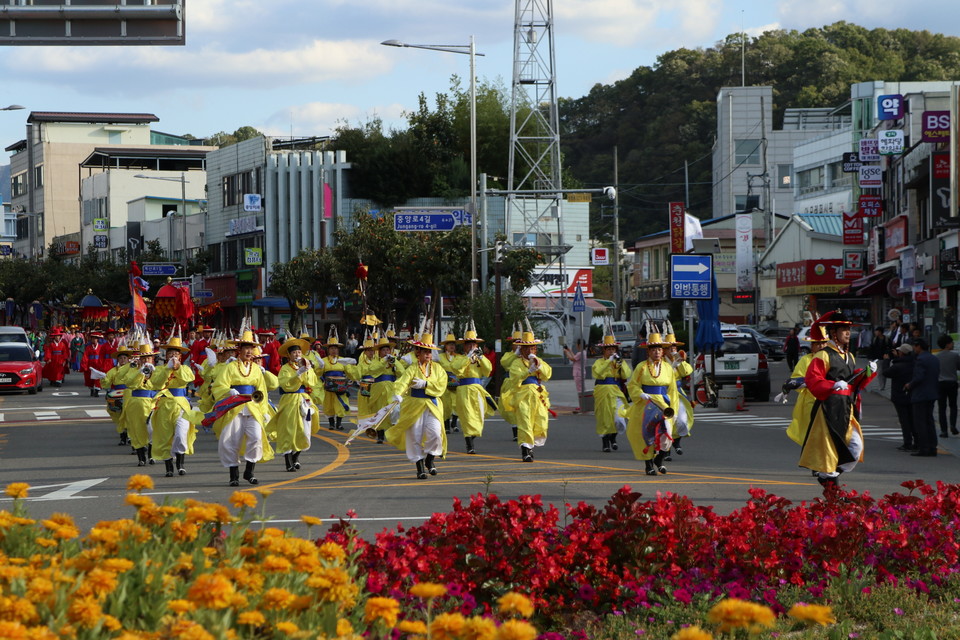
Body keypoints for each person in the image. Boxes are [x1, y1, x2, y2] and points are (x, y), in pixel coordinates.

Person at [800, 310, 877, 491]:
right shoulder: (823, 355)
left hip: (846, 406)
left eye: (849, 330)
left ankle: (827, 477)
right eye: (844, 329)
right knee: (830, 450)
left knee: (856, 447)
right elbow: (813, 381)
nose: (848, 333)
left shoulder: (849, 356)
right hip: (828, 408)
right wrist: (831, 385)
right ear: (834, 333)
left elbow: (853, 383)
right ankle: (831, 487)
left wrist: (868, 372)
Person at [210, 326, 274, 486]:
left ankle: (249, 471)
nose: (249, 352)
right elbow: (218, 385)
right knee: (230, 440)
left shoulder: (256, 369)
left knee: (256, 437)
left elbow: (262, 389)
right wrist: (228, 390)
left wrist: (264, 409)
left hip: (252, 406)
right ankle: (233, 475)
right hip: (235, 406)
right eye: (246, 348)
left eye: (251, 349)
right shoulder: (230, 367)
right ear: (239, 350)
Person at [385, 325, 447, 479]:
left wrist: (426, 384)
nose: (428, 354)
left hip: (432, 404)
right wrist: (397, 394)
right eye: (425, 351)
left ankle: (430, 459)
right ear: (417, 353)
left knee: (435, 434)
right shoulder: (412, 368)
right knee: (415, 435)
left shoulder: (438, 368)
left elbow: (442, 385)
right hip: (414, 405)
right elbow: (403, 382)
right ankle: (419, 467)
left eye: (429, 351)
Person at [626, 324, 677, 476]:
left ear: (663, 351)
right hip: (646, 404)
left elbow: (672, 389)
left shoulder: (668, 368)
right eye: (653, 349)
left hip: (662, 403)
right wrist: (640, 394)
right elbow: (633, 385)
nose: (657, 352)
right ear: (648, 351)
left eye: (659, 349)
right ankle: (648, 464)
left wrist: (673, 408)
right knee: (646, 433)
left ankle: (659, 459)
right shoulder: (641, 367)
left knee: (667, 433)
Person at [149, 331, 201, 477]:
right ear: (166, 356)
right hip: (164, 405)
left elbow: (187, 379)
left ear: (180, 356)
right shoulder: (159, 369)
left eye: (175, 354)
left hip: (181, 406)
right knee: (165, 437)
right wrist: (167, 369)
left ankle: (180, 463)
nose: (173, 357)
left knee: (180, 434)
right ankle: (168, 466)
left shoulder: (185, 369)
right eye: (170, 354)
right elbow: (156, 383)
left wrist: (177, 368)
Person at [274, 335, 320, 472]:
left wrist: (306, 370)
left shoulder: (305, 365)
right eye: (294, 352)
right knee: (289, 430)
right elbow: (286, 384)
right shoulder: (285, 369)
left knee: (304, 430)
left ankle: (296, 457)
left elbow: (312, 382)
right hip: (289, 400)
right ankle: (288, 462)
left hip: (303, 399)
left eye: (299, 352)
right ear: (289, 355)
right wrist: (297, 374)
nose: (297, 354)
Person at [782, 323, 829, 447]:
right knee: (813, 436)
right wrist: (807, 383)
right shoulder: (806, 360)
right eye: (818, 344)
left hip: (830, 402)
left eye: (824, 343)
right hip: (811, 401)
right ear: (812, 346)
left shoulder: (832, 358)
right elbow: (796, 379)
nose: (821, 346)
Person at [454, 322, 494, 455]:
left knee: (479, 416)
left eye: (474, 344)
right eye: (469, 344)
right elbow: (457, 369)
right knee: (467, 416)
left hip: (477, 389)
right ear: (464, 346)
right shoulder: (459, 358)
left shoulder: (479, 358)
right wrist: (468, 357)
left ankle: (472, 436)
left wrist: (481, 357)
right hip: (464, 389)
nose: (472, 347)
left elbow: (488, 371)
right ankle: (469, 443)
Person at [591, 331, 631, 453]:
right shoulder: (599, 362)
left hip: (616, 391)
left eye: (613, 349)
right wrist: (608, 361)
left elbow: (626, 374)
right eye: (608, 350)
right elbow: (598, 373)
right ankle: (605, 441)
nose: (611, 352)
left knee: (619, 418)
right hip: (602, 391)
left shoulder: (618, 362)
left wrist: (620, 363)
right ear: (604, 351)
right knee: (605, 418)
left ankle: (613, 437)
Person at [315, 327, 357, 431]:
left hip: (341, 387)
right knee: (329, 406)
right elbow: (318, 373)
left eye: (335, 348)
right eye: (331, 348)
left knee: (341, 406)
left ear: (338, 349)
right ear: (328, 350)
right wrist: (320, 367)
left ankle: (339, 423)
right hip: (328, 387)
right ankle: (331, 423)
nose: (334, 350)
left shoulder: (343, 360)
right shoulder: (323, 361)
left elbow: (350, 373)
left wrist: (352, 365)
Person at [904, 338, 940, 457]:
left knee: (920, 422)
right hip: (932, 392)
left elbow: (919, 377)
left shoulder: (920, 359)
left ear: (919, 346)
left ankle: (924, 448)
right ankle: (932, 447)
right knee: (929, 421)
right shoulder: (934, 358)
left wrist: (910, 384)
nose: (914, 349)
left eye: (915, 346)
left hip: (921, 394)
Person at [663, 322, 693, 458]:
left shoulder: (678, 359)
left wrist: (679, 361)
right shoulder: (660, 361)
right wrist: (670, 367)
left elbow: (687, 371)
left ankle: (676, 442)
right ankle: (667, 449)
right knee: (667, 421)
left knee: (681, 420)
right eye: (669, 347)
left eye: (674, 347)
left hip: (678, 393)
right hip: (664, 393)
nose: (672, 350)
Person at [883, 343, 917, 451]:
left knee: (904, 421)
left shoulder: (897, 366)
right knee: (913, 419)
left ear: (901, 353)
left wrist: (886, 361)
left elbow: (886, 373)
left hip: (899, 395)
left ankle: (907, 443)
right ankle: (917, 442)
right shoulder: (914, 363)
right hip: (912, 395)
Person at [935, 334, 960, 438]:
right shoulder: (955, 356)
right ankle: (953, 425)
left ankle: (944, 431)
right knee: (953, 406)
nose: (953, 344)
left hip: (940, 383)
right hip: (952, 383)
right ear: (947, 345)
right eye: (951, 343)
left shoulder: (936, 356)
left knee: (942, 408)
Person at [438, 333, 462, 434]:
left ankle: (454, 423)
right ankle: (446, 424)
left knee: (457, 404)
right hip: (444, 383)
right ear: (445, 346)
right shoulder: (440, 357)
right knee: (445, 405)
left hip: (456, 382)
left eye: (453, 344)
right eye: (449, 344)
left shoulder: (460, 357)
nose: (452, 346)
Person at [80, 330, 105, 397]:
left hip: (98, 364)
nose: (94, 340)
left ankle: (96, 391)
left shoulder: (101, 347)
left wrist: (102, 364)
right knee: (89, 379)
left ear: (98, 339)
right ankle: (91, 389)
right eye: (93, 338)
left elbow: (102, 356)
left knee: (98, 378)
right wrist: (85, 365)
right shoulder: (88, 347)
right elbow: (85, 356)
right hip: (90, 364)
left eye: (96, 338)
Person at [869, 326, 892, 391]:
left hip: (885, 358)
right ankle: (881, 386)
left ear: (880, 332)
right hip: (877, 358)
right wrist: (871, 357)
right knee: (879, 372)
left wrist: (888, 355)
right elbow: (871, 349)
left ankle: (883, 385)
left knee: (884, 371)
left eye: (877, 331)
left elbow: (890, 348)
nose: (875, 332)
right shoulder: (874, 339)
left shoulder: (887, 339)